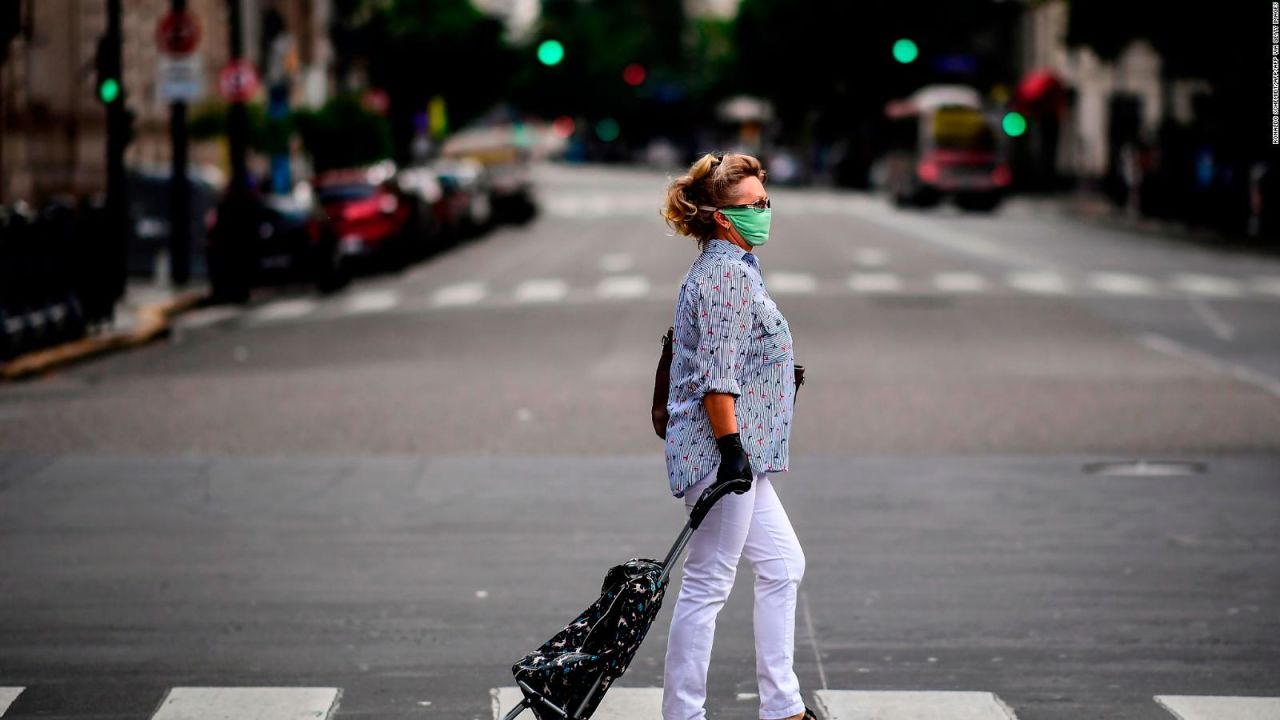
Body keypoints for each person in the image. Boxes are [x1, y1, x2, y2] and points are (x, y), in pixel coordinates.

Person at [658, 152, 812, 720]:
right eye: (752, 205)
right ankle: (684, 713)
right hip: (721, 454)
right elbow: (715, 381)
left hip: (738, 452)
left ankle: (783, 707)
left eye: (766, 201)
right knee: (707, 584)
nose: (764, 212)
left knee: (782, 565)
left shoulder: (738, 265)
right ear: (723, 216)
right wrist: (731, 454)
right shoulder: (725, 274)